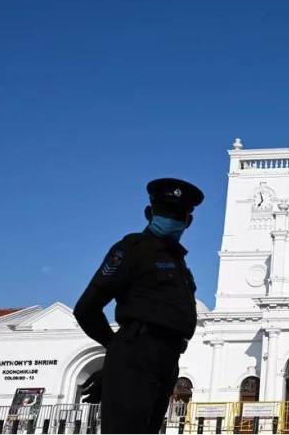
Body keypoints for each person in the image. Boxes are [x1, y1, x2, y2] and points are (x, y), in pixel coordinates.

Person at [74, 178, 204, 434]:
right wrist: (119, 352)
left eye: (178, 214)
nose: (172, 219)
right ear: (149, 213)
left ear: (188, 221)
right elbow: (86, 308)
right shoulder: (131, 250)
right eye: (165, 211)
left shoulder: (179, 264)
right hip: (137, 351)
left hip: (167, 358)